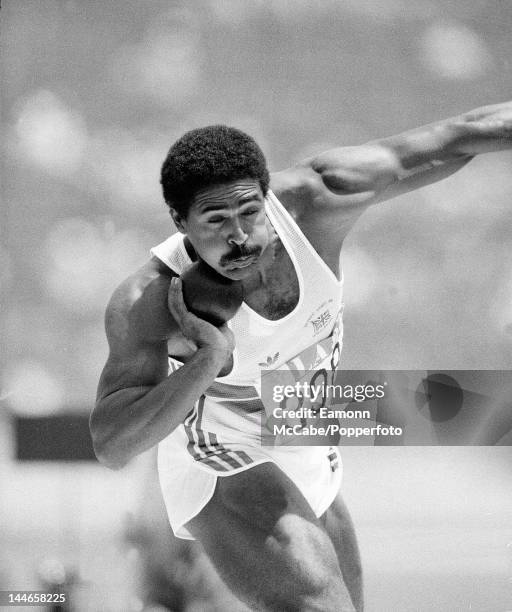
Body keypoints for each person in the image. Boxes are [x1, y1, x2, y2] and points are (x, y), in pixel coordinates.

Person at [90, 101, 512, 612]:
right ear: (180, 221)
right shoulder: (150, 301)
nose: (240, 236)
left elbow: (457, 137)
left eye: (249, 212)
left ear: (268, 198)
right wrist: (207, 358)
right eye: (216, 220)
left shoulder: (320, 199)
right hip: (220, 457)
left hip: (303, 432)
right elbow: (112, 446)